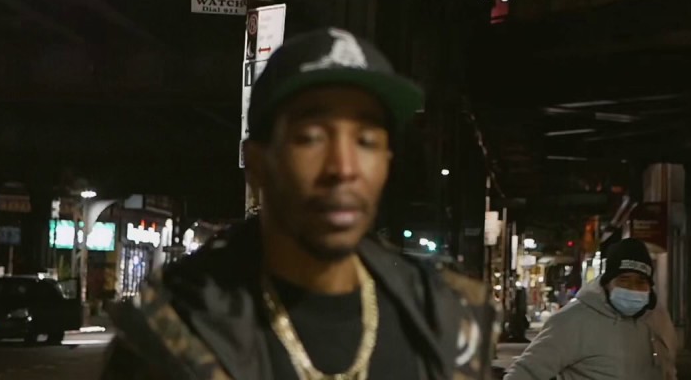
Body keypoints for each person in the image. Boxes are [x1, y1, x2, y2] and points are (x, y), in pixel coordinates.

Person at [101, 27, 499, 379]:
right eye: (311, 137)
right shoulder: (176, 330)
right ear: (257, 164)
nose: (343, 168)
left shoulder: (444, 320)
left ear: (387, 163)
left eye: (366, 141)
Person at [502, 238, 677, 380]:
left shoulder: (657, 318)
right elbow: (526, 372)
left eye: (641, 281)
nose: (633, 288)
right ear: (607, 283)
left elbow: (668, 370)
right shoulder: (573, 320)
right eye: (624, 280)